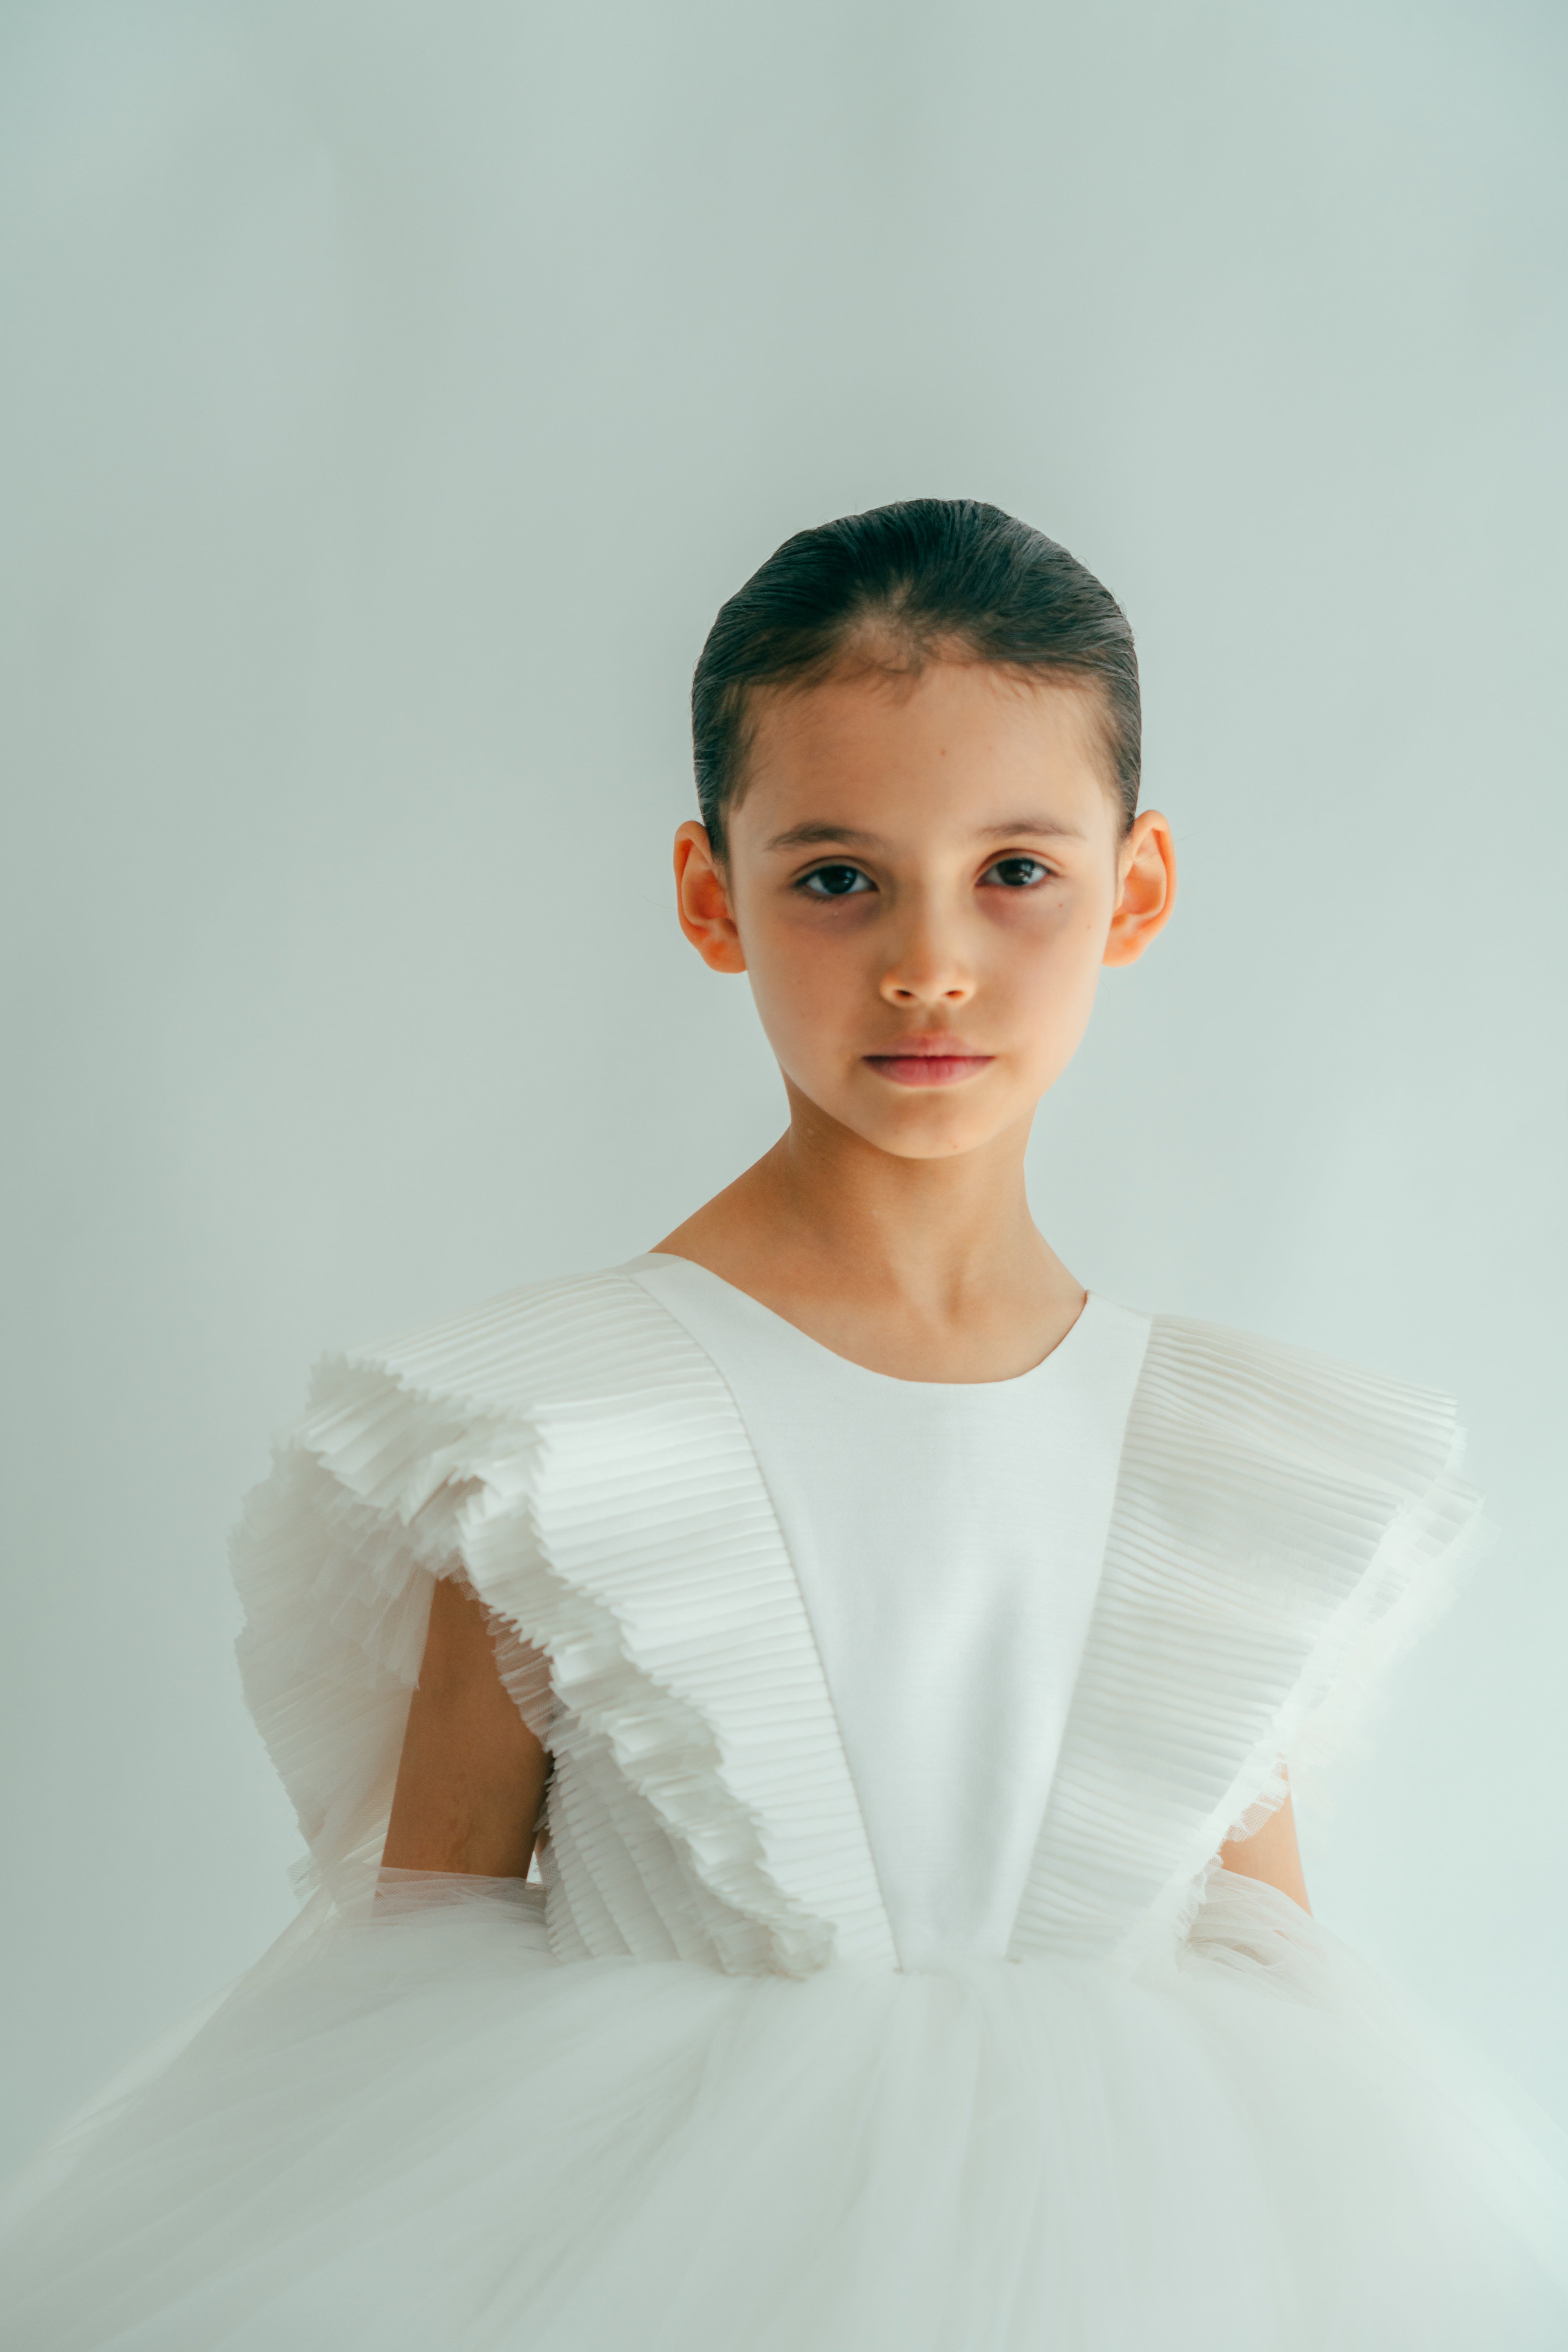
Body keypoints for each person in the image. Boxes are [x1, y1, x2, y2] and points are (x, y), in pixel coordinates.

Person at [2, 498, 1564, 2349]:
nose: (928, 961)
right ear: (707, 891)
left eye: (1014, 871)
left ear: (1132, 889)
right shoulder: (561, 1431)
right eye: (838, 876)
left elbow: (1273, 1987)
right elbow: (411, 1968)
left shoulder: (1220, 1457)